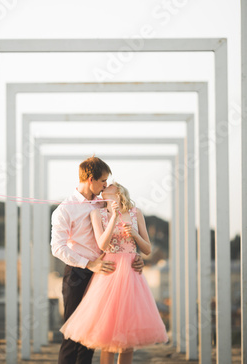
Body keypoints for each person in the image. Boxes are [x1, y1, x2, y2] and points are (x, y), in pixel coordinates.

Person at [60, 181, 168, 364]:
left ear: (118, 192)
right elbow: (102, 244)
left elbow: (148, 249)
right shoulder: (97, 213)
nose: (105, 188)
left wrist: (134, 233)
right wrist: (114, 217)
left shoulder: (136, 213)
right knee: (107, 337)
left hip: (131, 274)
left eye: (109, 186)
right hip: (109, 273)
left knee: (128, 337)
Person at [51, 156, 144, 364]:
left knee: (93, 335)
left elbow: (121, 232)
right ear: (90, 179)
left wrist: (134, 257)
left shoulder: (104, 202)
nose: (106, 185)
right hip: (78, 272)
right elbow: (57, 247)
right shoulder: (65, 209)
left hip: (107, 273)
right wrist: (89, 264)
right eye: (103, 181)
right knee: (73, 333)